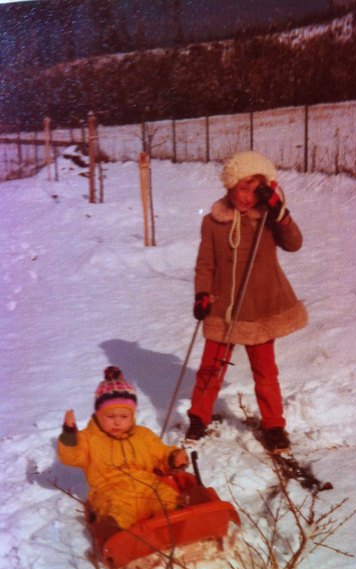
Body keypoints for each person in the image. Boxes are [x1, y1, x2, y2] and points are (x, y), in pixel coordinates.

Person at [186, 150, 308, 453]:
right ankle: (199, 417)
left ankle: (274, 425)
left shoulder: (268, 218)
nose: (247, 196)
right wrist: (202, 293)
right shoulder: (213, 222)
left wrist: (280, 212)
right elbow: (205, 264)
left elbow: (294, 243)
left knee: (265, 370)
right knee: (211, 367)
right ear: (230, 186)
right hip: (224, 306)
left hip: (261, 306)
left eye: (256, 190)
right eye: (243, 188)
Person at [58, 366, 189, 546]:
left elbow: (160, 453)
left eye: (124, 416)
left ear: (132, 415)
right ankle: (113, 533)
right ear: (98, 414)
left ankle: (180, 517)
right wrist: (69, 434)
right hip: (110, 490)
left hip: (146, 485)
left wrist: (173, 457)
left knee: (164, 496)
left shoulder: (143, 435)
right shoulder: (88, 438)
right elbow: (70, 456)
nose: (118, 421)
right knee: (115, 510)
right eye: (110, 416)